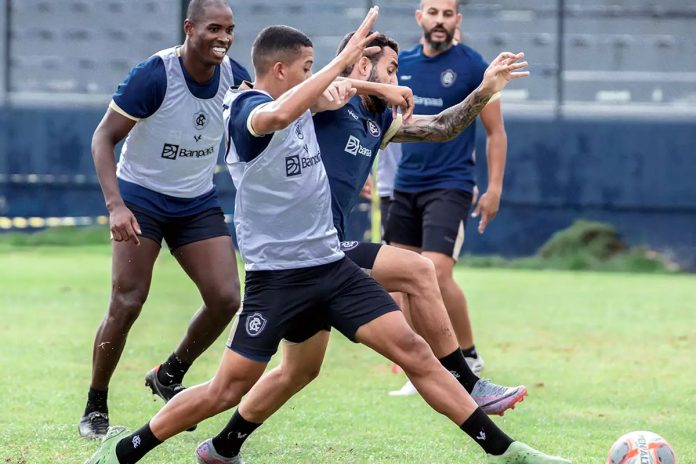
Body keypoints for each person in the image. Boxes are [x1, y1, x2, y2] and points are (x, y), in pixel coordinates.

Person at [86, 11, 570, 464]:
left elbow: (434, 124)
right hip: (277, 280)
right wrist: (347, 67)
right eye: (308, 68)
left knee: (388, 356)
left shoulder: (352, 109)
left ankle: (510, 452)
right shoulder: (249, 108)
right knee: (224, 390)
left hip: (331, 265)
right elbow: (281, 113)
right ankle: (126, 450)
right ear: (282, 70)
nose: (321, 77)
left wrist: (483, 90)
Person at [194, 30, 533, 463]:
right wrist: (362, 82)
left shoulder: (379, 122)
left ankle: (224, 445)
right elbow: (281, 99)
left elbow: (442, 126)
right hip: (302, 249)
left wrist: (485, 89)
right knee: (418, 270)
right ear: (360, 64)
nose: (399, 78)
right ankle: (467, 382)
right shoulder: (329, 97)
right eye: (391, 68)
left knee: (299, 371)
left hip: (319, 254)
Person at [79, 0, 250, 439]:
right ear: (190, 28)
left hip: (195, 200)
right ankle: (95, 404)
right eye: (214, 29)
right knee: (128, 301)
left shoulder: (234, 75)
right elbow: (103, 138)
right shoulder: (155, 75)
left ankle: (169, 374)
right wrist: (116, 205)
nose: (224, 38)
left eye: (229, 30)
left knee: (227, 298)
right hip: (141, 199)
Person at [384, 0, 511, 395]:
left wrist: (494, 189)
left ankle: (468, 355)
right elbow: (381, 124)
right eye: (433, 12)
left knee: (435, 272)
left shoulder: (474, 66)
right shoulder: (400, 64)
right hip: (405, 183)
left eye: (448, 13)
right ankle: (421, 365)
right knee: (397, 279)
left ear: (458, 20)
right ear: (419, 17)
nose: (440, 20)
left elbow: (496, 132)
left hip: (451, 183)